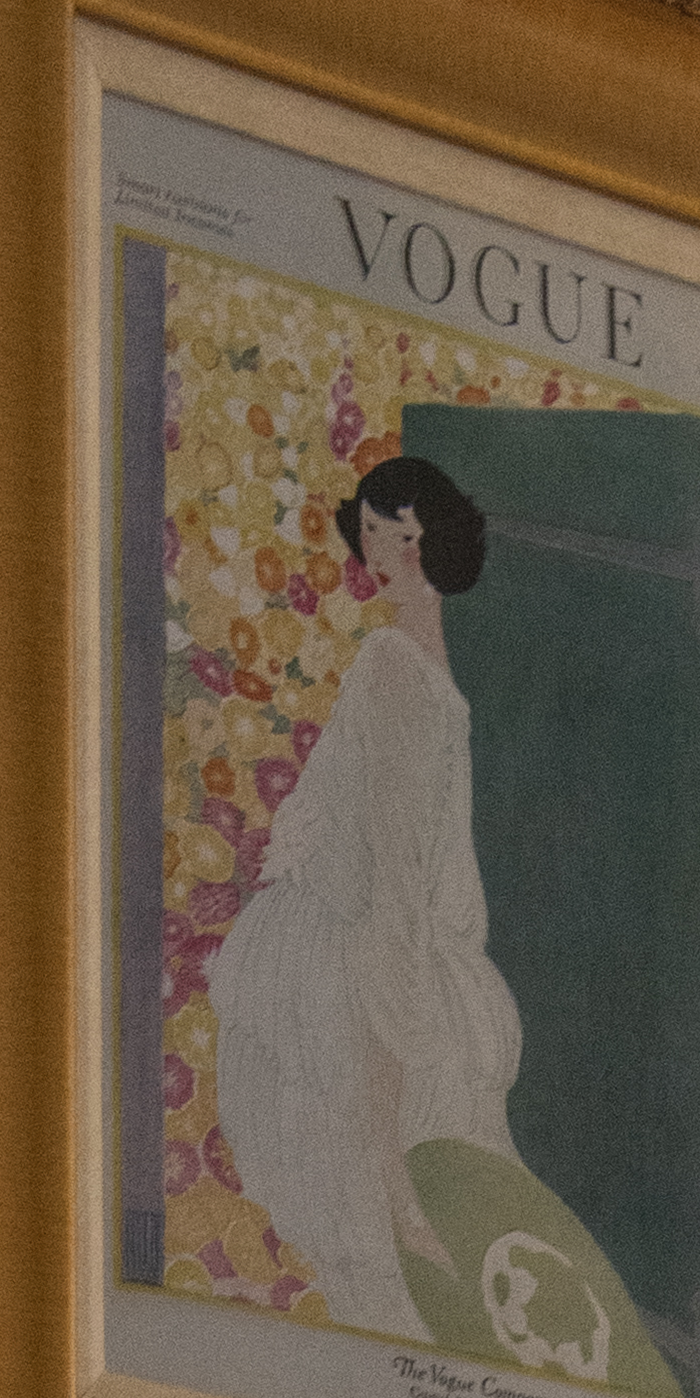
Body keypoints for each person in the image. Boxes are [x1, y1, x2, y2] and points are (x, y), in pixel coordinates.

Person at [206, 449, 524, 1336]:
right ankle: (396, 1227)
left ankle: (404, 1226)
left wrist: (406, 936)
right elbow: (386, 822)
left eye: (392, 532)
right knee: (363, 1128)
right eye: (374, 530)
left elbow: (407, 833)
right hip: (356, 918)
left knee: (394, 1124)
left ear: (422, 542)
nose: (376, 547)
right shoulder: (403, 657)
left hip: (381, 919)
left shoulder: (402, 659)